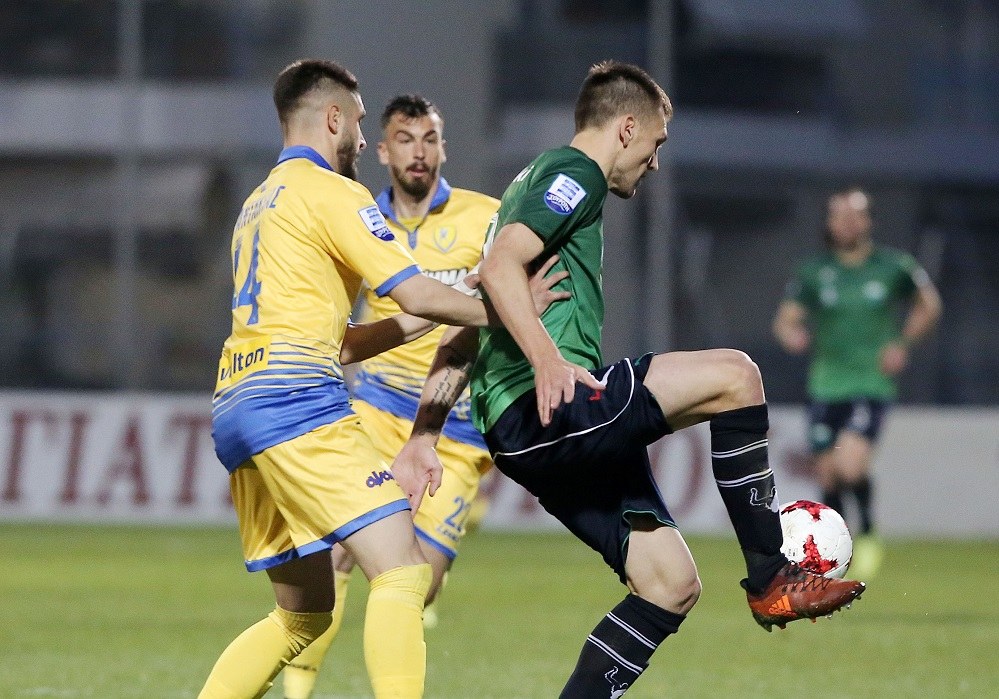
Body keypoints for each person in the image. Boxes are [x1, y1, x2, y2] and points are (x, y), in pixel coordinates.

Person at [390, 60, 867, 698]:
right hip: (545, 409)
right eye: (655, 143)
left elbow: (473, 313)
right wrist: (546, 359)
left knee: (670, 584)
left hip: (529, 429)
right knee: (736, 376)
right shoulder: (575, 174)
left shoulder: (530, 189)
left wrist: (424, 433)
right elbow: (501, 269)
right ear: (626, 128)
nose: (655, 162)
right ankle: (770, 576)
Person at [200, 58, 558, 699]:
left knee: (301, 616)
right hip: (296, 399)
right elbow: (415, 290)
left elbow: (346, 340)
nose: (364, 141)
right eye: (361, 124)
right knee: (403, 572)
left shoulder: (258, 204)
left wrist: (424, 318)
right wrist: (510, 307)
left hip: (237, 402)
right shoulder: (334, 192)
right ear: (334, 118)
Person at [280, 94, 503, 699]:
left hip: (454, 426)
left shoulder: (485, 217)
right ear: (382, 151)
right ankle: (298, 693)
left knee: (418, 582)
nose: (418, 152)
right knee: (336, 556)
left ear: (443, 148)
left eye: (430, 139)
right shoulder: (357, 218)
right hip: (375, 410)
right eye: (405, 140)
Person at [773, 188, 942, 578]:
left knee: (850, 466)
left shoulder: (893, 266)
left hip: (870, 383)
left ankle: (866, 532)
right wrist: (791, 335)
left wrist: (903, 343)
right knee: (827, 474)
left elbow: (929, 305)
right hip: (825, 384)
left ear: (868, 221)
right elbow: (785, 320)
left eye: (855, 215)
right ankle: (837, 548)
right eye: (839, 215)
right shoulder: (814, 272)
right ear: (829, 222)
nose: (847, 223)